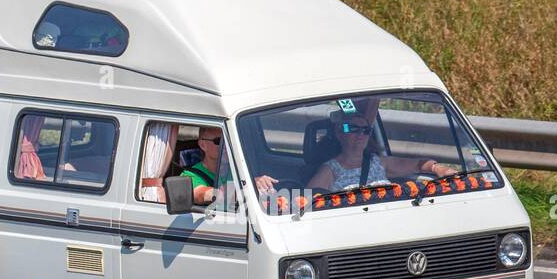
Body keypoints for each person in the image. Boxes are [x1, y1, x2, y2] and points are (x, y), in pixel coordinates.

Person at [308, 110, 459, 194]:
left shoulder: (378, 162)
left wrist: (439, 168)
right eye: (353, 129)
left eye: (366, 130)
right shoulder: (330, 169)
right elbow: (305, 201)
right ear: (339, 134)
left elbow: (419, 164)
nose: (361, 135)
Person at [183, 127, 276, 205]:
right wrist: (249, 186)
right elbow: (204, 195)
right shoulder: (190, 176)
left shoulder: (239, 168)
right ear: (203, 145)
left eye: (229, 140)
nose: (226, 145)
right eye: (219, 141)